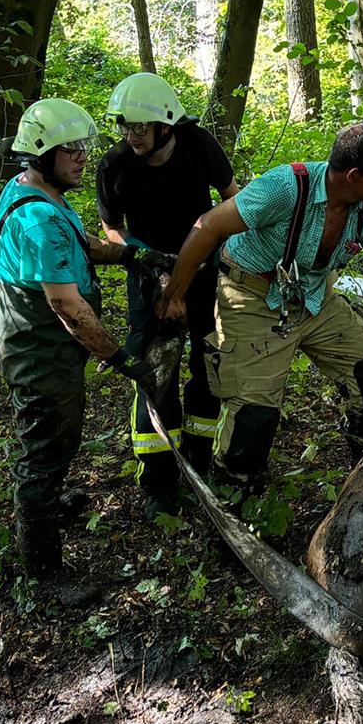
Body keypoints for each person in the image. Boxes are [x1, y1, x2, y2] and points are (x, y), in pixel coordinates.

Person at [158, 123, 363, 495]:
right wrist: (176, 294)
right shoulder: (286, 187)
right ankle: (233, 502)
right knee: (253, 418)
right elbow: (208, 225)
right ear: (353, 175)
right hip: (252, 298)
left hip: (313, 297)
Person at [0, 98, 170, 604]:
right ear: (42, 154)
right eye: (71, 150)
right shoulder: (38, 222)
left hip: (25, 331)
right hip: (39, 345)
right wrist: (122, 359)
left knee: (51, 435)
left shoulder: (34, 191)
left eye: (84, 147)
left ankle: (45, 504)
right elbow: (69, 308)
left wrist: (132, 253)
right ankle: (44, 573)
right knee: (47, 444)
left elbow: (81, 243)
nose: (83, 158)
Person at [97, 72, 238, 520]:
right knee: (156, 374)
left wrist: (217, 261)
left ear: (166, 126)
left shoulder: (199, 146)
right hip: (146, 277)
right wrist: (154, 271)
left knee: (208, 363)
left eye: (140, 128)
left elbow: (232, 199)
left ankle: (200, 462)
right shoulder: (114, 166)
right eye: (125, 127)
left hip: (203, 270)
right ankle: (159, 482)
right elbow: (112, 228)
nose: (131, 136)